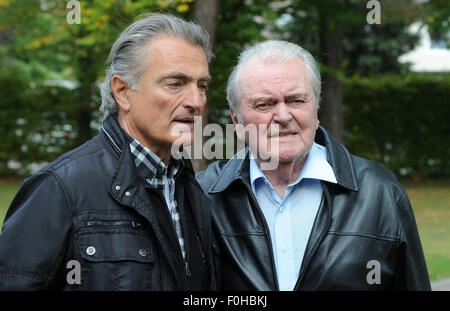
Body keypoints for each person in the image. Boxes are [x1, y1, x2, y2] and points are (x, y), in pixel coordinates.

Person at [0, 13, 219, 290]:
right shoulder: (60, 189)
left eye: (202, 86)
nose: (195, 101)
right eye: (175, 84)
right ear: (122, 91)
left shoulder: (191, 188)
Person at [196, 40, 431, 291]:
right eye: (265, 104)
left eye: (296, 100)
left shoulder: (380, 192)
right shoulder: (203, 195)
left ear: (316, 110)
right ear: (237, 120)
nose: (284, 116)